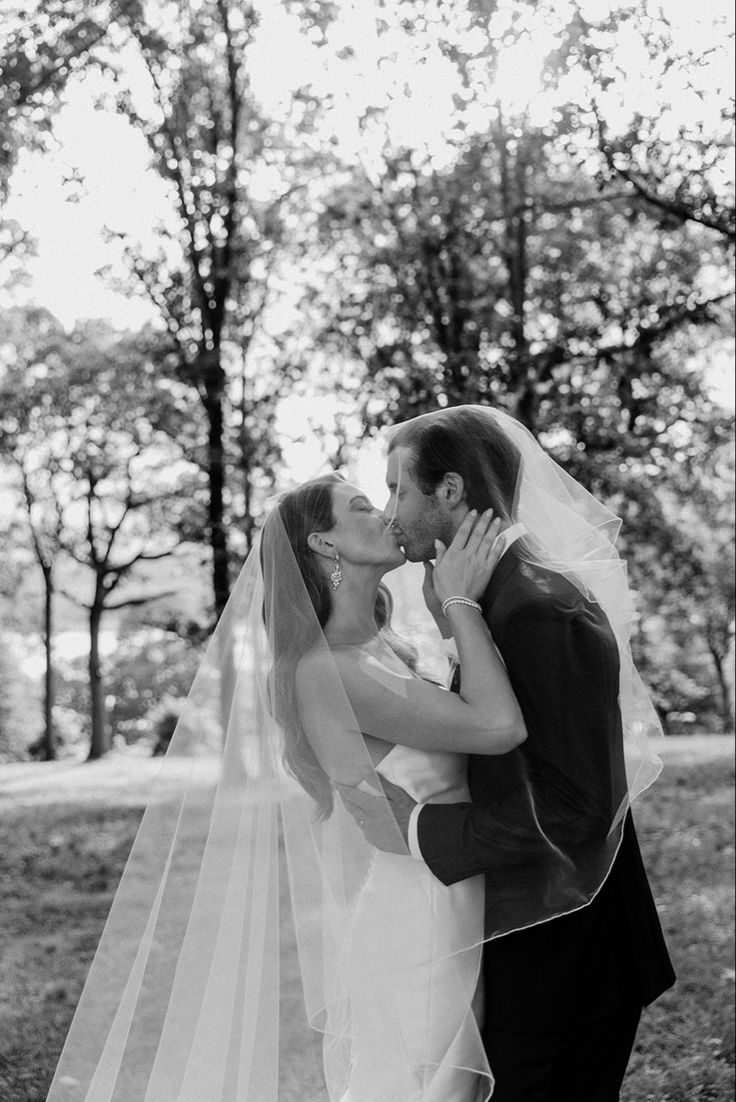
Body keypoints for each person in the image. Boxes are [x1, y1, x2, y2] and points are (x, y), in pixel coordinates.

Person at [45, 471, 528, 1102]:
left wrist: (446, 617)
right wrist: (463, 603)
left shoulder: (385, 648)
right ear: (325, 545)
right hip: (419, 915)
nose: (387, 513)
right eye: (362, 506)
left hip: (453, 893)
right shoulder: (328, 670)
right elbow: (498, 727)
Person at [343, 405, 676, 1102]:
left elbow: (576, 804)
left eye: (400, 488)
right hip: (537, 939)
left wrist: (424, 830)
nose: (390, 508)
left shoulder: (536, 607)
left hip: (569, 958)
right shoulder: (496, 596)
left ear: (453, 492)